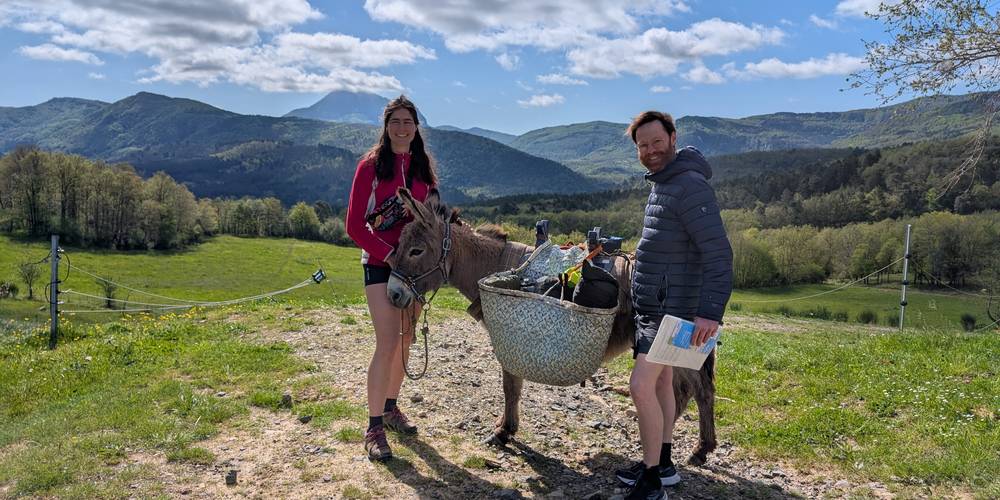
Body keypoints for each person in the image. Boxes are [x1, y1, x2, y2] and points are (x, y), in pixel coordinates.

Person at [617, 111, 733, 499]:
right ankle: (663, 463)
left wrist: (709, 313)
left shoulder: (689, 186)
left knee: (640, 386)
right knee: (663, 381)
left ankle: (651, 482)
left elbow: (718, 253)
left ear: (673, 137)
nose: (650, 151)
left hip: (675, 311)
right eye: (642, 145)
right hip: (657, 306)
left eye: (656, 142)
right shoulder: (664, 183)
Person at [345, 95, 437, 462]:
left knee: (406, 338)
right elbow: (353, 226)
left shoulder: (423, 168)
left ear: (416, 127)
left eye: (408, 122)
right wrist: (389, 254)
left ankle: (390, 407)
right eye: (395, 121)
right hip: (381, 264)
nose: (402, 128)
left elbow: (431, 218)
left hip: (414, 269)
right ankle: (373, 427)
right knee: (386, 342)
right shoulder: (370, 167)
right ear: (385, 127)